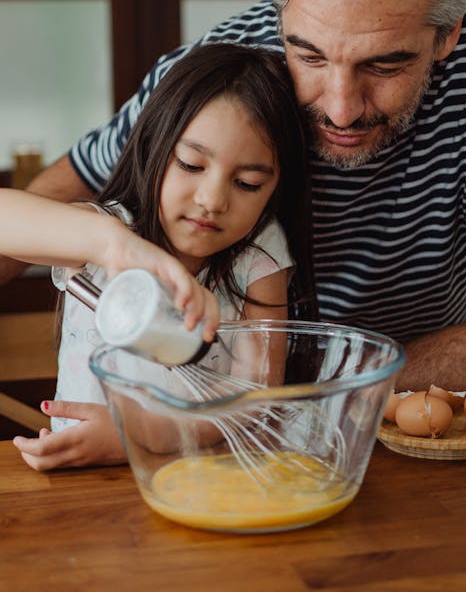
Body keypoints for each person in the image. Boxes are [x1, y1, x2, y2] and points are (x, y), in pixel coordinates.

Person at [1, 0, 466, 393]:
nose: (341, 109)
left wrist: (300, 399)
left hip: (424, 389)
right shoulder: (221, 71)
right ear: (281, 16)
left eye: (383, 66)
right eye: (309, 56)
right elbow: (75, 180)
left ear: (448, 34)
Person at [0, 43, 314, 470]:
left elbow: (254, 402)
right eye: (190, 164)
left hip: (198, 475)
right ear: (154, 148)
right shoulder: (106, 232)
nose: (212, 200)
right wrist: (112, 245)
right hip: (84, 483)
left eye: (246, 184)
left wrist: (144, 436)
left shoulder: (259, 259)